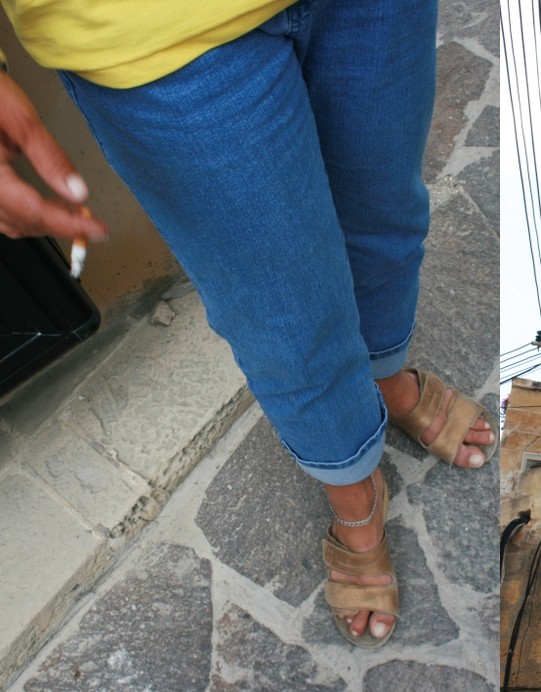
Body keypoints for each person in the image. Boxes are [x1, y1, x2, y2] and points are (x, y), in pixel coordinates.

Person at [0, 0, 497, 648]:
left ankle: (386, 380)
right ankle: (357, 498)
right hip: (148, 29)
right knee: (287, 318)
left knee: (385, 222)